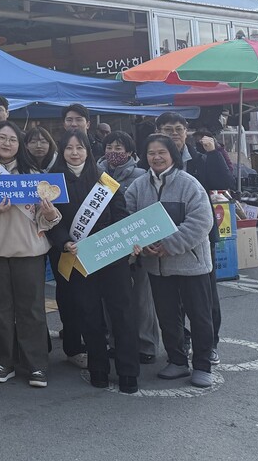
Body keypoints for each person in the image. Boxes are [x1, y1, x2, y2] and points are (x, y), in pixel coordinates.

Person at [0, 120, 60, 388]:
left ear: (20, 144)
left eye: (12, 139)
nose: (7, 143)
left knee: (32, 309)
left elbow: (44, 218)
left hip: (29, 249)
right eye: (2, 138)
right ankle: (3, 361)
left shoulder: (33, 173)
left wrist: (50, 214)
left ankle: (36, 364)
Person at [47, 130, 140, 393]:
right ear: (62, 151)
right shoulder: (53, 183)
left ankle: (128, 370)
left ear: (88, 151)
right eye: (69, 148)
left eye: (80, 147)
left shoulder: (105, 181)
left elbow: (121, 215)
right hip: (78, 257)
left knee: (122, 313)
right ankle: (98, 367)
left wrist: (122, 241)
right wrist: (65, 241)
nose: (74, 153)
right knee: (89, 313)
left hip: (112, 256)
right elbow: (52, 222)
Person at [126, 134, 215, 388]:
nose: (156, 157)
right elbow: (128, 220)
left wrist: (169, 245)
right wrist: (142, 245)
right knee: (167, 316)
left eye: (161, 152)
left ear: (172, 155)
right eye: (151, 153)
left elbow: (201, 222)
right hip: (157, 267)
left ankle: (202, 365)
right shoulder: (138, 187)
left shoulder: (189, 184)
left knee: (199, 316)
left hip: (191, 265)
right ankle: (177, 360)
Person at [155, 112, 232, 363]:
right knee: (171, 300)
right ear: (158, 132)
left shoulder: (200, 158)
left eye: (179, 129)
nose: (174, 134)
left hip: (199, 238)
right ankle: (183, 340)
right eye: (168, 129)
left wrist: (214, 152)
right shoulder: (152, 160)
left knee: (205, 298)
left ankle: (210, 344)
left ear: (186, 131)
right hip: (162, 240)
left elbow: (223, 181)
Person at [97, 130, 158, 363]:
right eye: (109, 147)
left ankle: (146, 345)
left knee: (141, 299)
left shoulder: (141, 176)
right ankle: (116, 342)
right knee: (111, 299)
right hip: (108, 246)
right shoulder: (96, 174)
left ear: (130, 152)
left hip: (136, 245)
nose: (113, 152)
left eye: (119, 148)